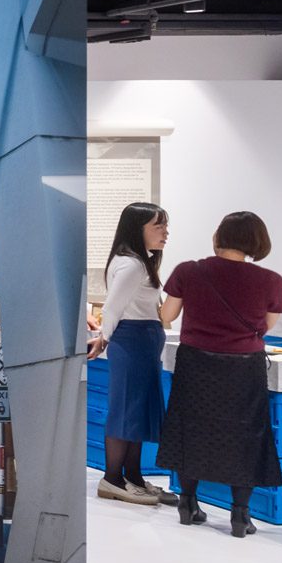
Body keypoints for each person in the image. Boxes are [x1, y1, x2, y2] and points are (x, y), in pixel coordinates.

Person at [156, 210, 282, 538]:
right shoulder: (272, 281)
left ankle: (188, 503)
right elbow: (266, 328)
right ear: (258, 241)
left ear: (218, 237)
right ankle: (240, 515)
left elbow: (166, 315)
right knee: (246, 433)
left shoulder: (189, 271)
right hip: (243, 367)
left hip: (196, 362)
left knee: (192, 427)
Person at [87, 202, 179, 505]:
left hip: (142, 339)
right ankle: (112, 479)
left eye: (165, 225)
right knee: (126, 409)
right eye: (158, 225)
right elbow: (112, 307)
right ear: (137, 229)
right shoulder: (131, 264)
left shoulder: (140, 260)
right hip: (132, 339)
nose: (165, 231)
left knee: (137, 410)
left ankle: (133, 477)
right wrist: (104, 338)